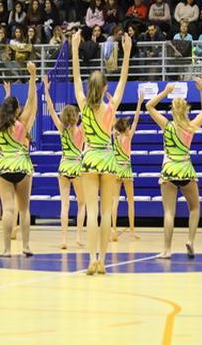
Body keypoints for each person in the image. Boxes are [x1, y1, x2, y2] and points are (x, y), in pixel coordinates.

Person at [71, 30, 132, 275]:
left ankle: (91, 258)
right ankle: (104, 260)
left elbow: (75, 78)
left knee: (92, 213)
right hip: (108, 157)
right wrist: (126, 54)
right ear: (104, 87)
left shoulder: (83, 104)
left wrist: (75, 50)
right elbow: (124, 82)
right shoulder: (110, 107)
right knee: (107, 212)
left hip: (89, 157)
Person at [146, 78, 202, 259]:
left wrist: (165, 92)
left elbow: (149, 106)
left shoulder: (167, 125)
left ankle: (167, 249)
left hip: (169, 170)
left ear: (173, 111)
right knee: (195, 208)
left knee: (168, 212)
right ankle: (190, 241)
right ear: (186, 110)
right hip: (186, 169)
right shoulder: (191, 126)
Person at [0, 61, 37, 257]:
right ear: (16, 111)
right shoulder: (23, 123)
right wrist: (32, 76)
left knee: (8, 209)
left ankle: (6, 249)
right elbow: (32, 100)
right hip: (22, 166)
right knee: (24, 209)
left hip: (4, 166)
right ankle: (26, 247)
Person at [43, 75, 87, 250]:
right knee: (82, 203)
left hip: (63, 165)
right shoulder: (82, 129)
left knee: (64, 204)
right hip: (77, 165)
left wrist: (46, 90)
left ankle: (63, 239)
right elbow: (89, 112)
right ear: (76, 116)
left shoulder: (62, 129)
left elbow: (51, 109)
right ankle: (78, 237)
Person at [111, 92, 144, 241]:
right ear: (126, 128)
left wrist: (111, 102)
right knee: (130, 200)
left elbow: (112, 118)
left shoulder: (115, 136)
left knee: (115, 200)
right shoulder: (128, 137)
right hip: (126, 168)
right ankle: (131, 231)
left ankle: (113, 229)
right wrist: (139, 103)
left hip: (116, 168)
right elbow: (136, 119)